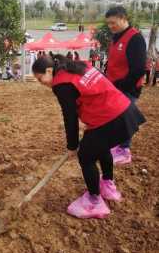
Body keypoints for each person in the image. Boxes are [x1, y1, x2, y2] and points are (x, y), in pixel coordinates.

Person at [32, 55, 145, 219]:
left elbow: (69, 116)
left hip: (110, 117)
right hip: (124, 109)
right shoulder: (77, 66)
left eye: (41, 78)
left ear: (49, 70)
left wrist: (72, 145)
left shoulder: (61, 84)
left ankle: (94, 202)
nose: (41, 83)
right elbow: (97, 86)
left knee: (85, 155)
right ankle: (108, 186)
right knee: (100, 147)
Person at [105, 6, 146, 165]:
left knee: (124, 118)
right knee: (115, 117)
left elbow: (138, 69)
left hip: (127, 88)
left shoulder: (135, 38)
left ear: (123, 18)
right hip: (114, 86)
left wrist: (122, 86)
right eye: (108, 23)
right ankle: (118, 146)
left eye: (113, 22)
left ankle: (125, 150)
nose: (110, 26)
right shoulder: (116, 37)